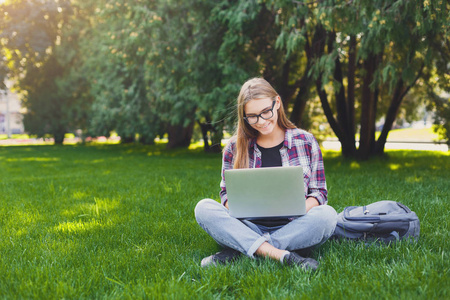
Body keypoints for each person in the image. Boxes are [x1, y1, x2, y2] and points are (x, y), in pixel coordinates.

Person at [194, 78, 337, 270]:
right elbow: (226, 196)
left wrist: (298, 208)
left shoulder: (306, 141)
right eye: (252, 116)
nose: (261, 121)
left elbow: (319, 193)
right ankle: (281, 255)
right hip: (248, 226)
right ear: (244, 116)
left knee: (327, 215)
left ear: (277, 103)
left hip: (294, 226)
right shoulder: (234, 148)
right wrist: (239, 209)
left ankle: (243, 249)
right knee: (203, 208)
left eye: (265, 112)